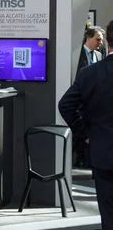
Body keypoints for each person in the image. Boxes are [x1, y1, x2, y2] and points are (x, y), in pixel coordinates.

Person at [59, 19, 113, 230]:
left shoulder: (90, 73)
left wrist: (86, 133)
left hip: (103, 154)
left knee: (108, 215)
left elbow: (65, 105)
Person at [73, 26, 104, 168]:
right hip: (80, 102)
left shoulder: (98, 56)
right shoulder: (77, 55)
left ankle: (87, 163)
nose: (100, 43)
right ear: (89, 38)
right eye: (98, 39)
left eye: (102, 40)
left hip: (94, 103)